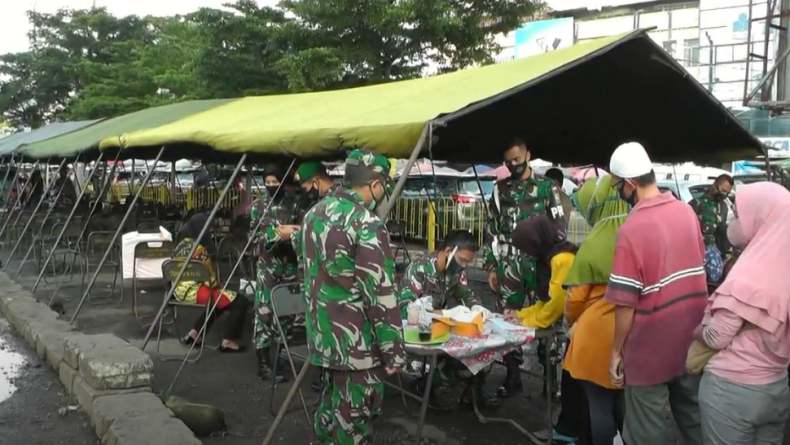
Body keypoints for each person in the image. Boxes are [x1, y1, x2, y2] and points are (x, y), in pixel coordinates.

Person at [301, 149, 405, 445]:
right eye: (383, 186)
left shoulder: (313, 215)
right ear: (375, 184)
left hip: (323, 338)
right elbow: (380, 293)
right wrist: (394, 351)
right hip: (357, 346)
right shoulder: (366, 223)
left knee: (330, 408)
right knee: (355, 420)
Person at [606, 141, 707, 445]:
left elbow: (625, 303)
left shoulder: (632, 229)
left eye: (618, 187)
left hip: (650, 350)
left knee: (646, 430)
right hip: (690, 339)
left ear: (629, 184)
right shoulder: (686, 212)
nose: (619, 193)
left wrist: (616, 351)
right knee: (695, 420)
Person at [693, 182, 790, 445]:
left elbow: (716, 337)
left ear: (762, 218)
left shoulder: (749, 274)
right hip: (776, 388)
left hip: (731, 391)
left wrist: (696, 327)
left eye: (740, 215)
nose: (735, 221)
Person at [483, 137, 564, 396]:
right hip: (509, 266)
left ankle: (550, 381)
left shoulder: (547, 187)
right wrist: (491, 266)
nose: (513, 165)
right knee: (508, 321)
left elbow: (559, 228)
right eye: (508, 161)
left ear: (528, 154)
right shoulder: (500, 189)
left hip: (540, 266)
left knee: (547, 319)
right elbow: (491, 230)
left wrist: (556, 265)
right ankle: (512, 376)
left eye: (517, 159)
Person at [509, 214, 589, 444]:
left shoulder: (561, 259)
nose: (526, 254)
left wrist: (528, 322)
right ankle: (569, 430)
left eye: (526, 248)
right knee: (573, 382)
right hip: (579, 327)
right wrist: (519, 316)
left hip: (584, 328)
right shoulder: (550, 255)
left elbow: (556, 304)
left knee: (576, 383)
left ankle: (572, 433)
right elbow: (545, 302)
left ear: (535, 242)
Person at [397, 230, 498, 410]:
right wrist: (441, 315)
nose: (464, 267)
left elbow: (467, 294)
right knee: (456, 361)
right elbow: (405, 310)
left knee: (484, 350)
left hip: (441, 329)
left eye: (468, 263)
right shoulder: (419, 269)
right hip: (417, 333)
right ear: (449, 250)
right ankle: (425, 384)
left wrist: (477, 308)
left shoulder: (456, 273)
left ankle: (471, 395)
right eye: (462, 261)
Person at [563, 175, 630, 445]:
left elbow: (576, 298)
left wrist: (572, 321)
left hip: (597, 332)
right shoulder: (639, 233)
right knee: (623, 404)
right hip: (635, 330)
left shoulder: (595, 243)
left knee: (599, 405)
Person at [250, 165, 307, 381]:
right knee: (264, 314)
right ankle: (263, 362)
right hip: (268, 268)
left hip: (291, 266)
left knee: (288, 313)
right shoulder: (259, 206)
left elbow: (304, 231)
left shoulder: (296, 203)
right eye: (268, 183)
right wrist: (275, 234)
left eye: (276, 182)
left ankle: (279, 356)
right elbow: (253, 240)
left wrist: (293, 233)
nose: (272, 186)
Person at [175, 211, 250, 352]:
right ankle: (229, 341)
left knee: (219, 300)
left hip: (178, 291)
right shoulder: (200, 250)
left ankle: (194, 334)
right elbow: (211, 281)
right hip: (195, 292)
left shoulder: (180, 246)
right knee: (241, 301)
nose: (209, 232)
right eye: (207, 228)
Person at [690, 174, 735, 288]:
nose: (724, 195)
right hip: (695, 250)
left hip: (715, 249)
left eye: (727, 192)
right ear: (715, 185)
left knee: (716, 276)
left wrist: (726, 252)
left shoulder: (723, 207)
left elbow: (722, 231)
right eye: (722, 190)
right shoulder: (695, 204)